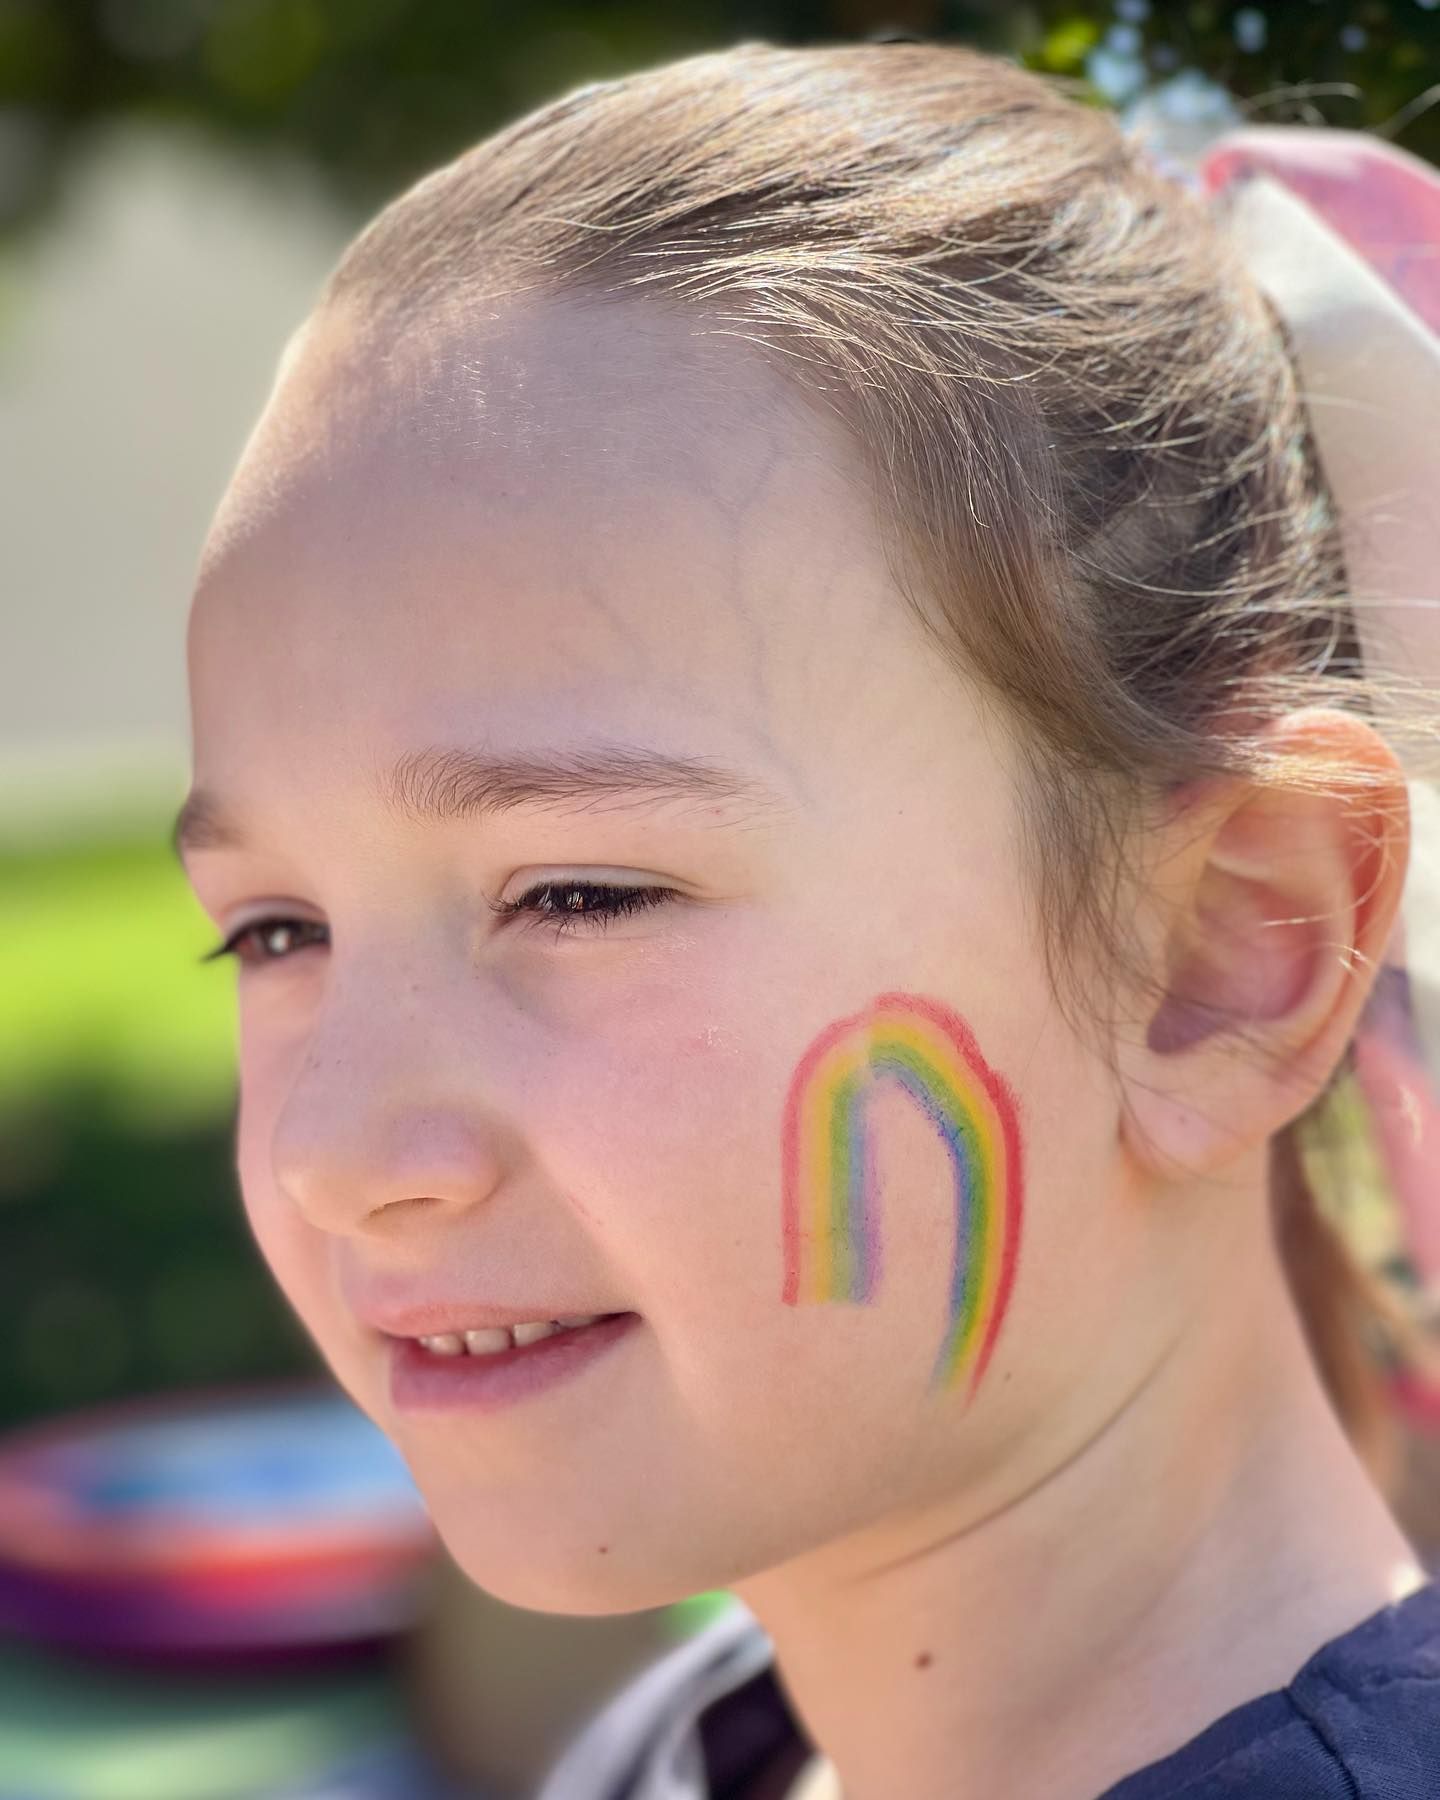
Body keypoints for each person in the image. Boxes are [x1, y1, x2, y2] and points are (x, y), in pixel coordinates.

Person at [172, 39, 1440, 1800]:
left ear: (1228, 954)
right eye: (274, 931)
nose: (331, 1149)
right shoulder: (676, 1751)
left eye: (581, 892)